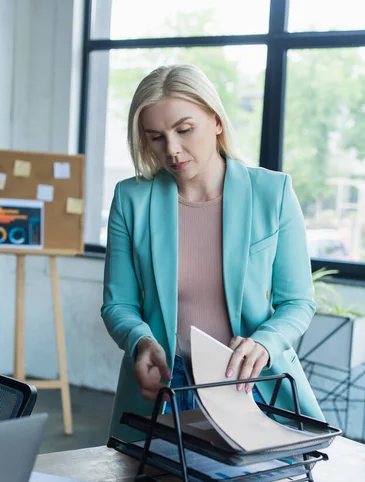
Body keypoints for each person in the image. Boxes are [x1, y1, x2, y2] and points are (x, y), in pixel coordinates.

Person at [101, 63, 324, 445]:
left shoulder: (274, 193)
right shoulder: (130, 199)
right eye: (155, 137)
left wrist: (264, 343)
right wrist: (140, 340)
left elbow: (298, 301)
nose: (171, 149)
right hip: (166, 386)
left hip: (252, 382)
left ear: (216, 121)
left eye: (184, 130)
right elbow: (117, 304)